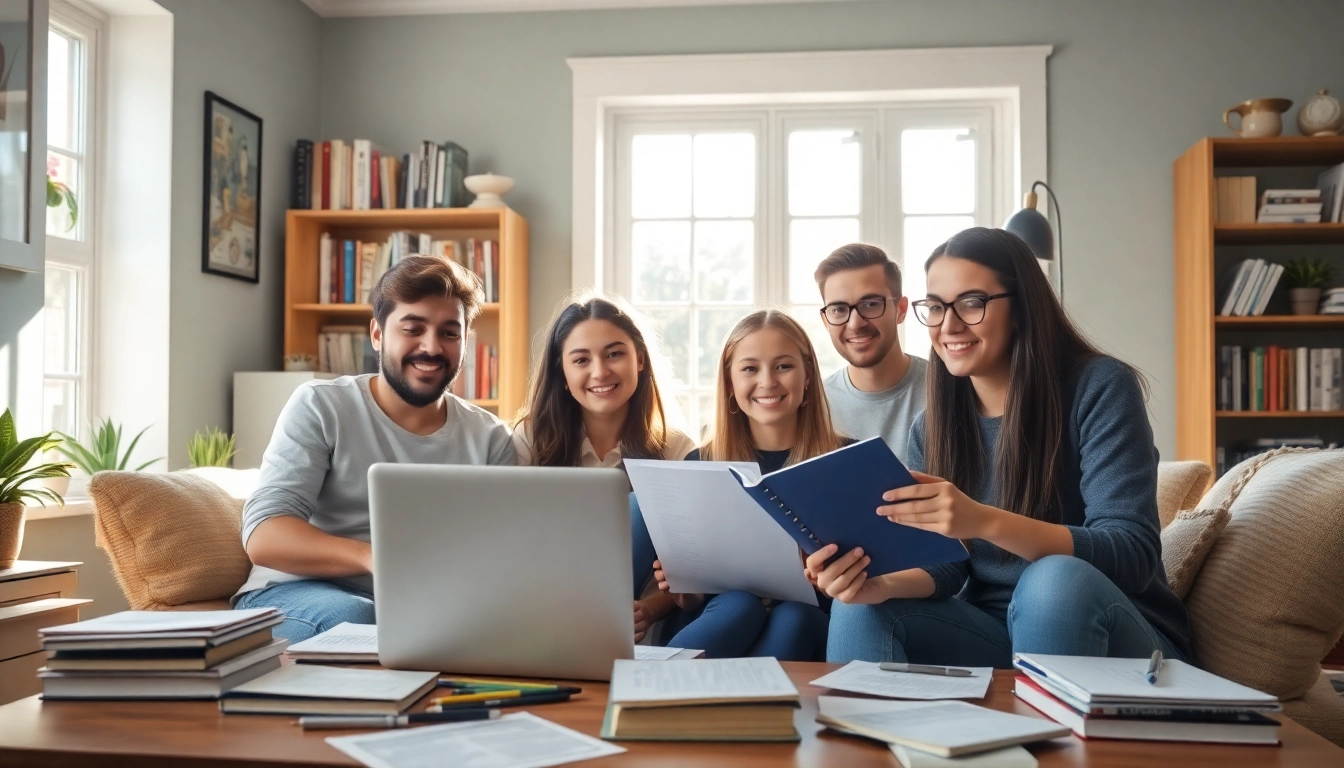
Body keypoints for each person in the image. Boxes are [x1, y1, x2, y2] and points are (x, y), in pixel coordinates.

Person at [812, 227, 1193, 668]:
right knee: (860, 607)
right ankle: (865, 738)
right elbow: (945, 567)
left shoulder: (1100, 387)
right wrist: (880, 585)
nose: (949, 326)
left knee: (1051, 580)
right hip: (995, 634)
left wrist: (982, 520)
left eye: (972, 303)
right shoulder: (934, 424)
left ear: (1022, 305)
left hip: (1116, 628)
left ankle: (1042, 739)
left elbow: (1131, 553)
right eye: (935, 307)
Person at [234, 256, 515, 642]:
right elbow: (264, 535)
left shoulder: (491, 437)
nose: (431, 347)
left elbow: (502, 549)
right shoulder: (322, 404)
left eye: (450, 333)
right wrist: (371, 557)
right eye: (413, 328)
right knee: (361, 620)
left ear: (465, 341)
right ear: (378, 334)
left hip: (421, 601)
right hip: (296, 592)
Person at [648, 310, 847, 660]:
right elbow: (691, 599)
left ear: (808, 378)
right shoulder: (700, 465)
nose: (767, 381)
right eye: (750, 368)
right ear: (729, 383)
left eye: (783, 366)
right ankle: (652, 690)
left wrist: (827, 580)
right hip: (725, 619)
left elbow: (864, 576)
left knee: (793, 617)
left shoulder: (845, 461)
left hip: (810, 621)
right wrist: (684, 588)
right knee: (738, 605)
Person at [512, 295, 695, 643]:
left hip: (641, 625)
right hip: (554, 611)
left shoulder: (678, 449)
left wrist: (649, 609)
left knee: (639, 505)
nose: (600, 371)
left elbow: (692, 572)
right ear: (562, 372)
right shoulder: (529, 439)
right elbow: (519, 548)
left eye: (614, 354)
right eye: (581, 359)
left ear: (639, 359)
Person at [816, 243, 926, 462]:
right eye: (838, 309)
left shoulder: (951, 391)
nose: (855, 323)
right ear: (825, 320)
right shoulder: (815, 408)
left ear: (901, 310)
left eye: (871, 304)